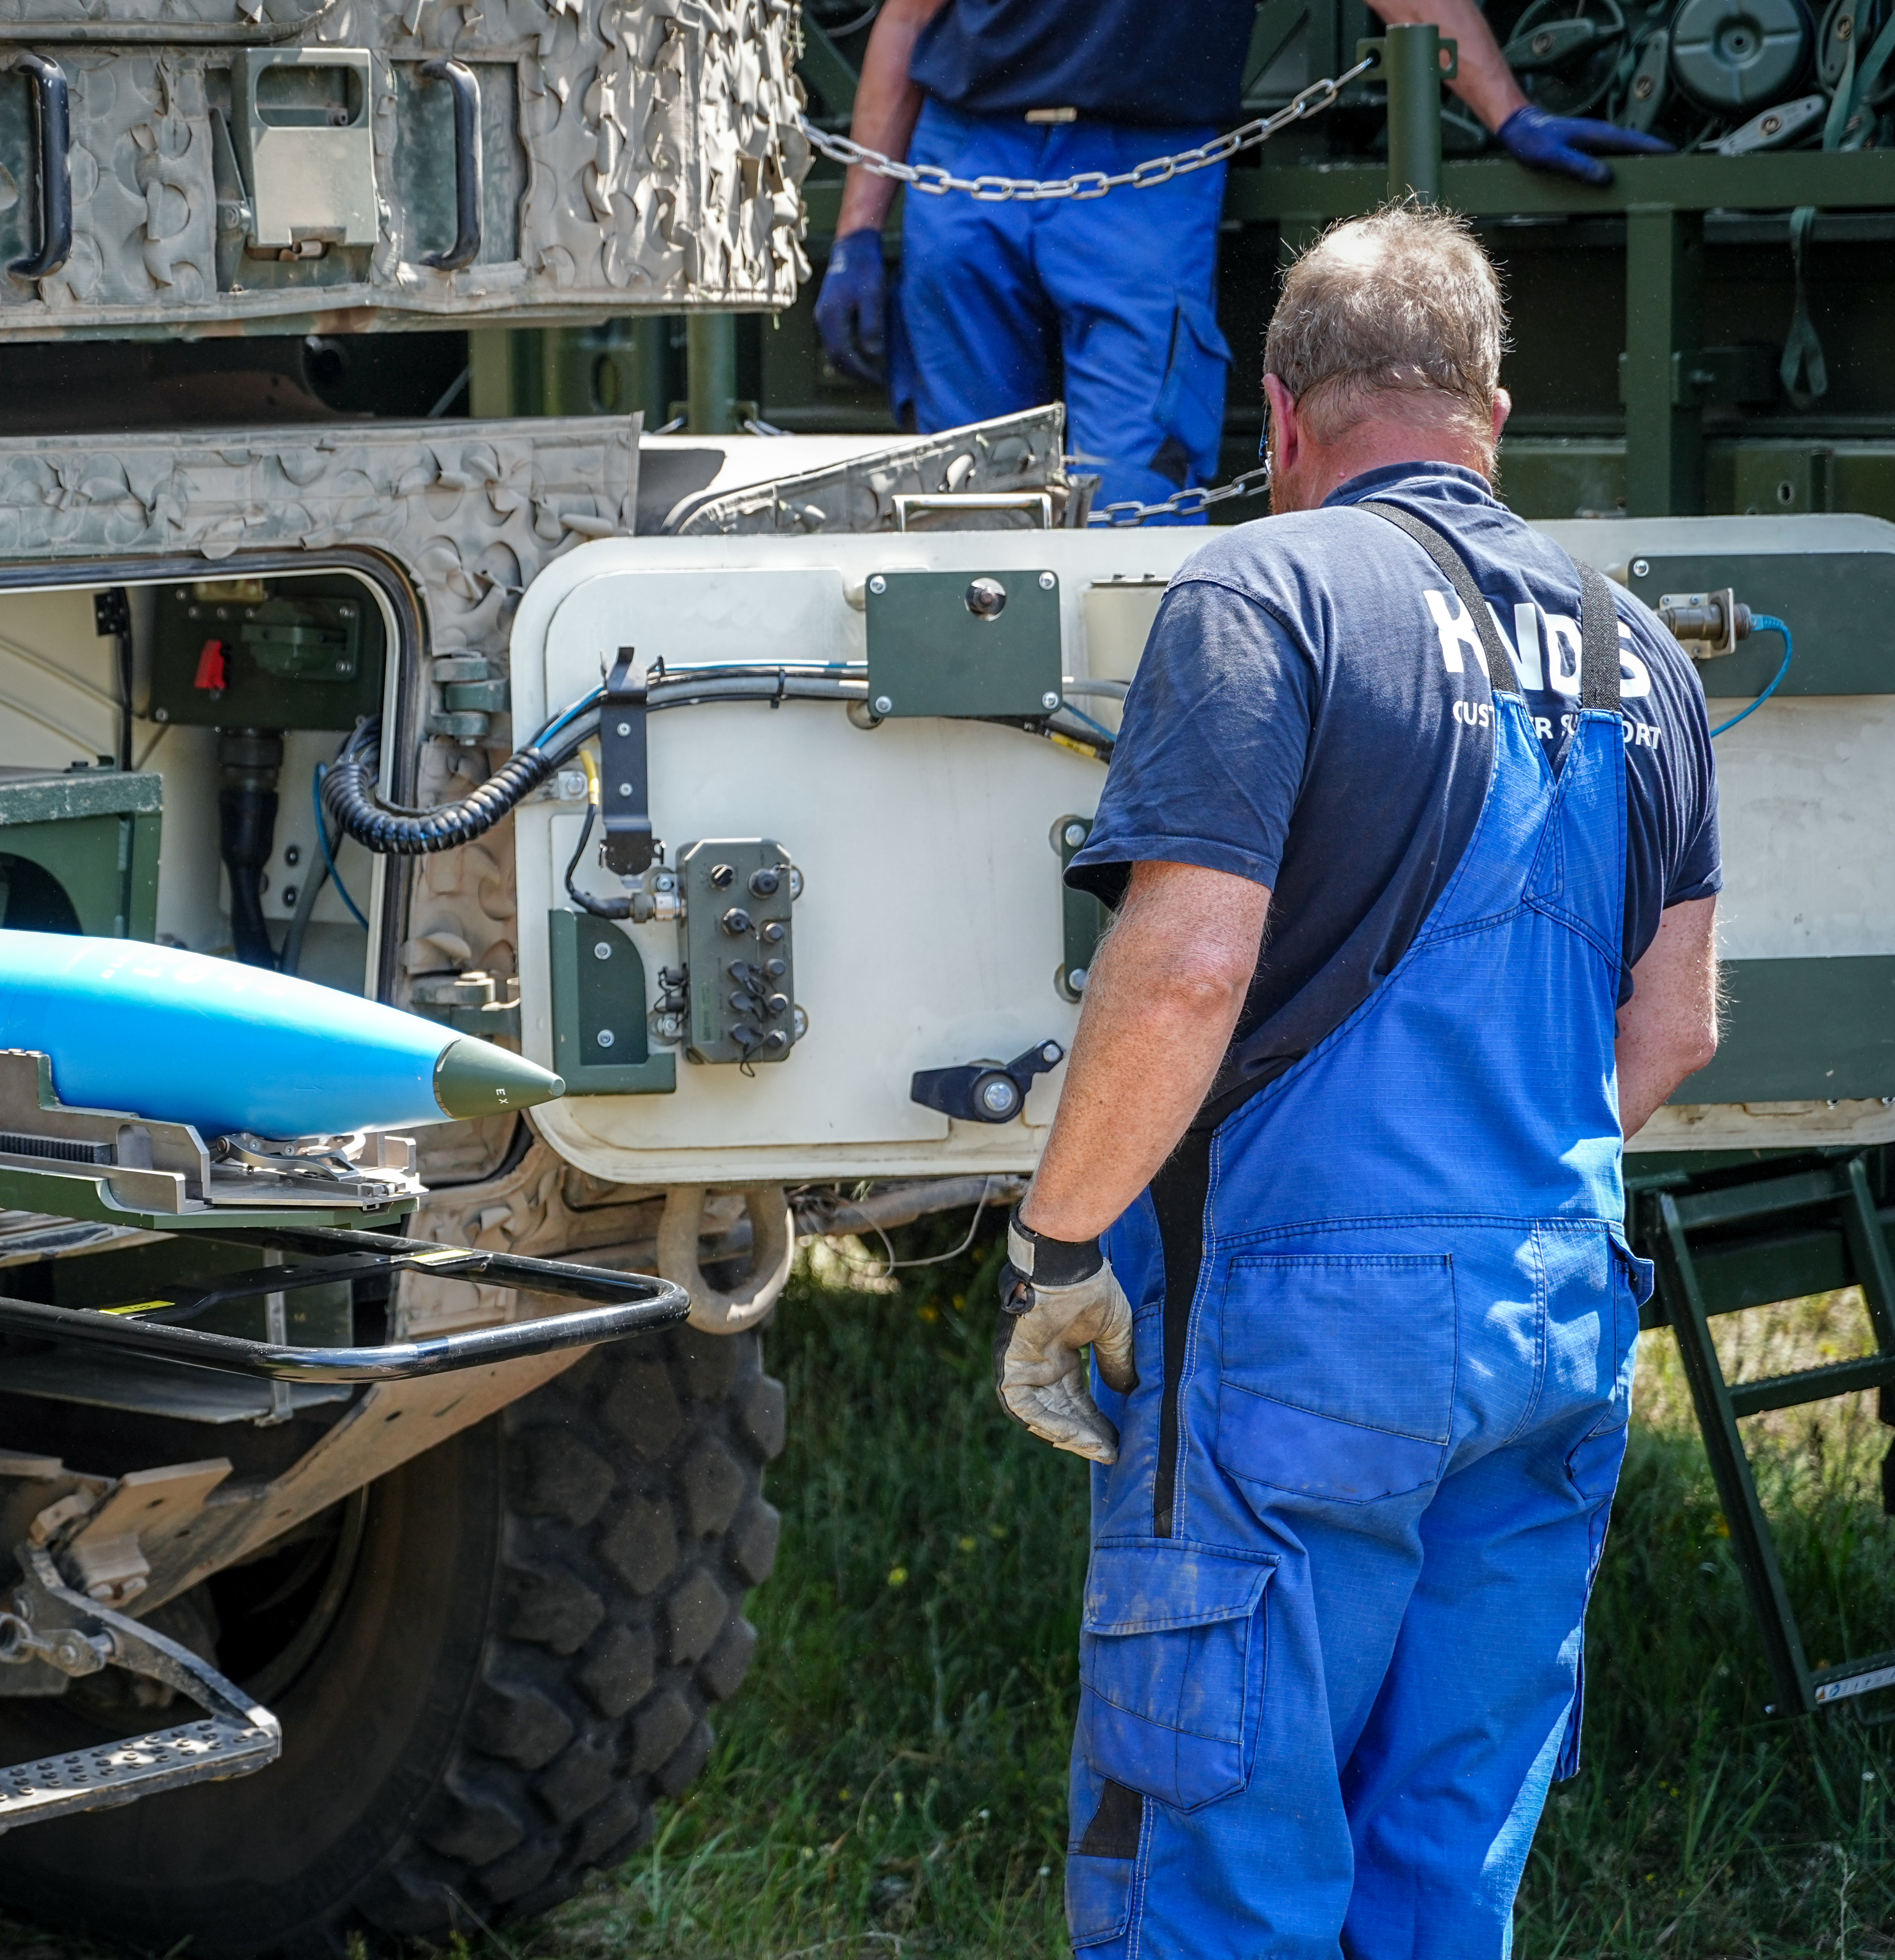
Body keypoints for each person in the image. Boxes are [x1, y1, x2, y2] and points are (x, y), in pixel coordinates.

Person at [992, 204, 1722, 1953]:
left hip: (1300, 1335)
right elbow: (1678, 1025)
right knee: (1441, 1863)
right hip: (1551, 1313)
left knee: (1225, 1860)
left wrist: (1059, 1250)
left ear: (1279, 408)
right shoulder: (1643, 656)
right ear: (1493, 406)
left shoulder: (1265, 586)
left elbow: (1183, 970)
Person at [814, 0, 1668, 512]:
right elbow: (909, 18)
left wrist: (1509, 112)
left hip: (1144, 160)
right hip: (968, 153)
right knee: (962, 485)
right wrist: (857, 234)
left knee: (1138, 490)